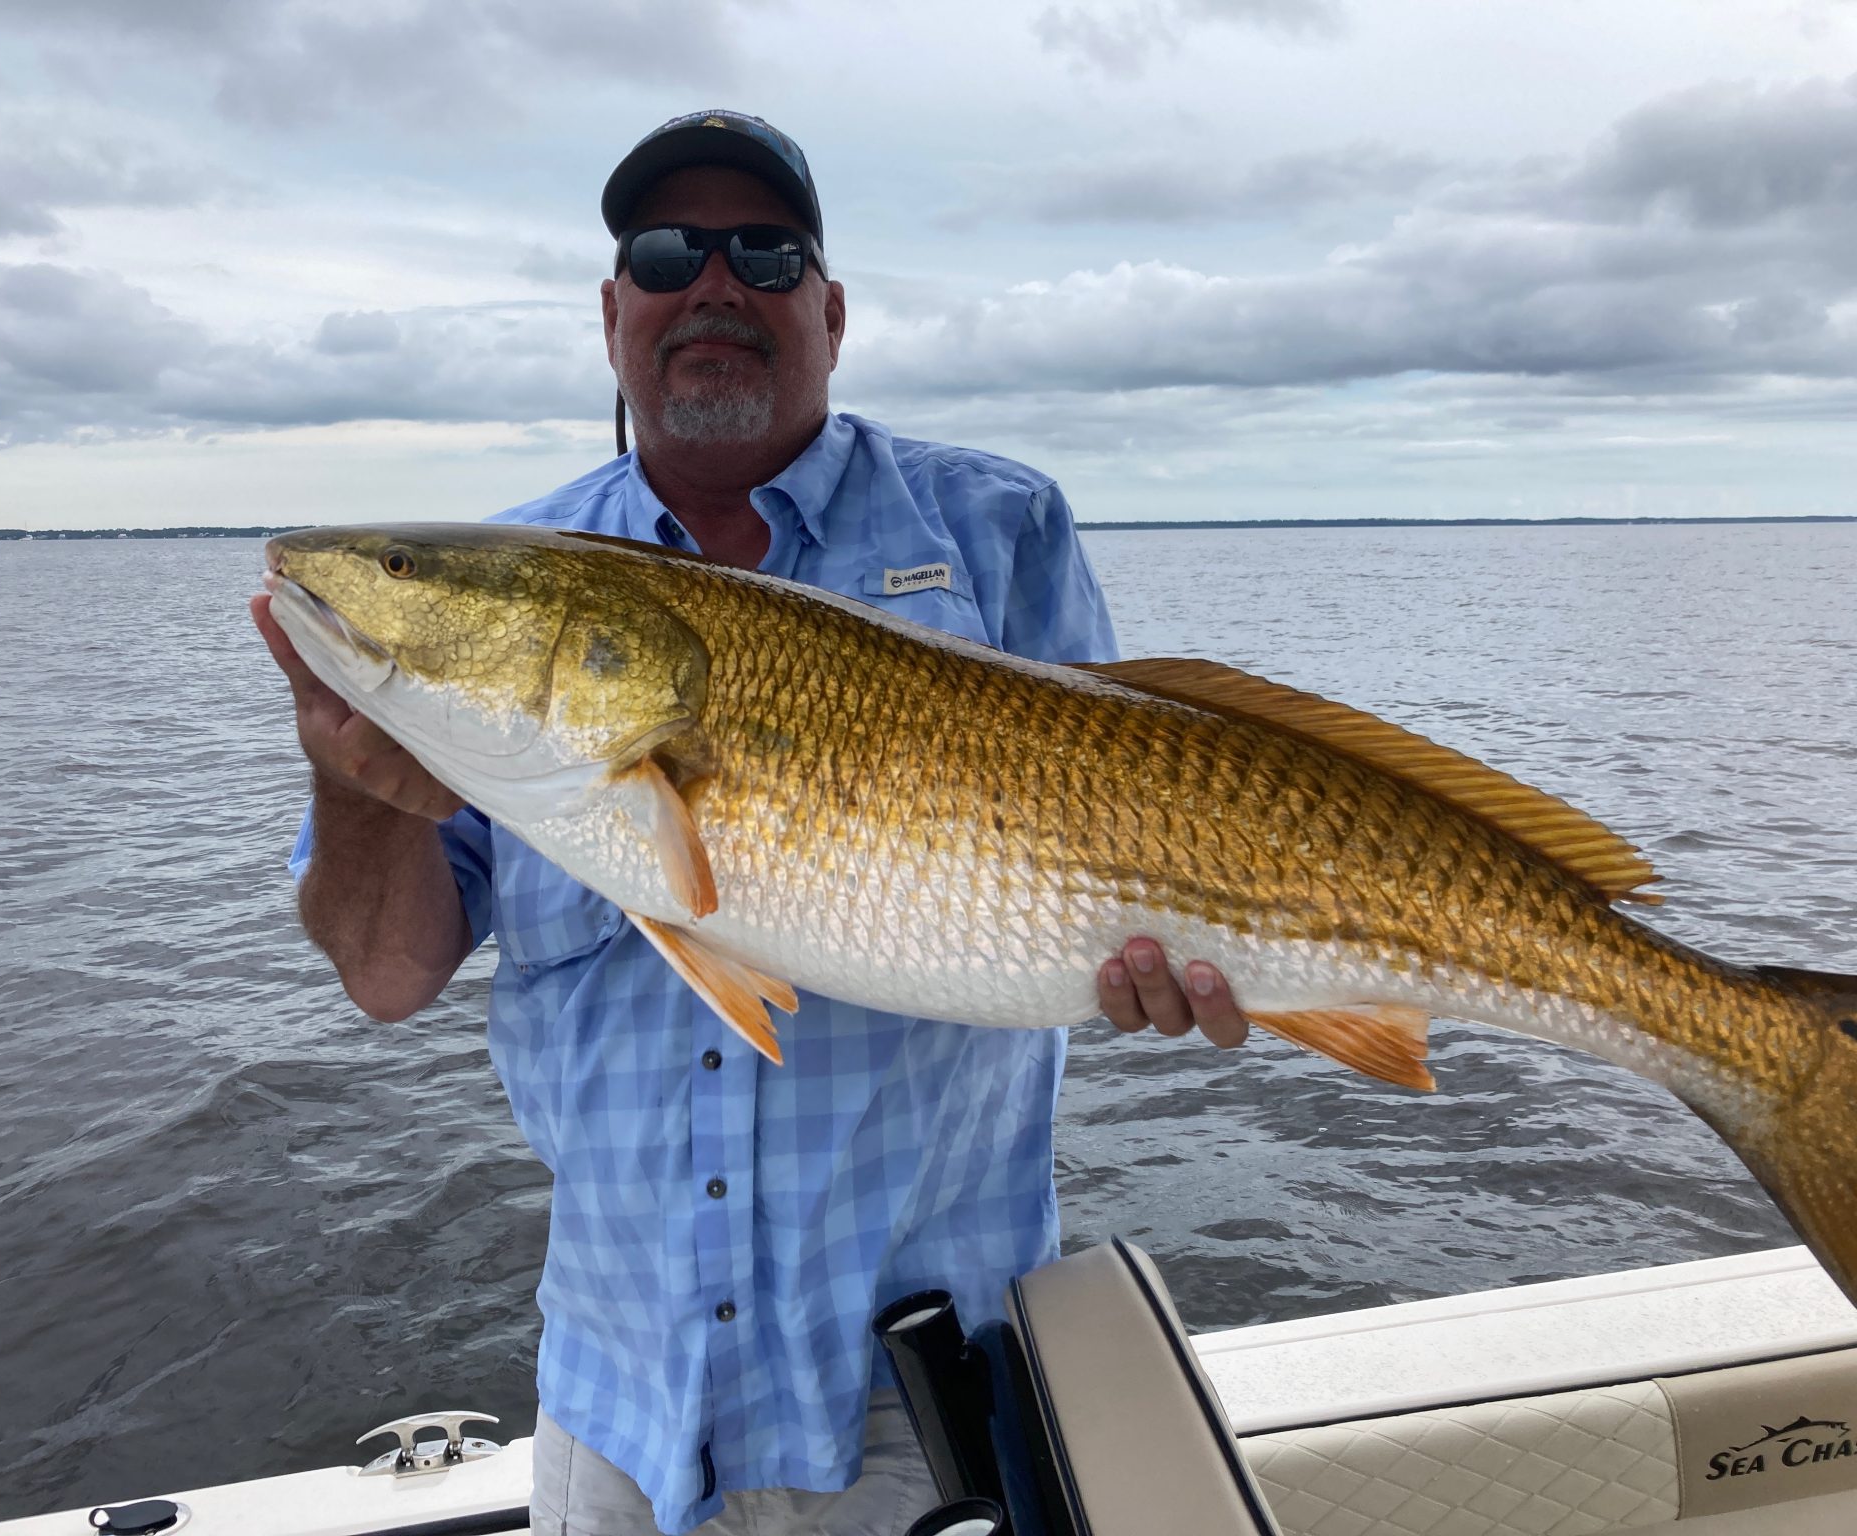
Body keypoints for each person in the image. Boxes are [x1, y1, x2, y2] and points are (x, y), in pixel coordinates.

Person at [251, 110, 1250, 1536]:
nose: (715, 284)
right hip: (619, 1410)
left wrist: (1157, 964)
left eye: (766, 253)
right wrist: (354, 791)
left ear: (831, 314)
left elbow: (1139, 818)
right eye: (668, 253)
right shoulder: (519, 590)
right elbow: (385, 972)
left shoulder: (1000, 527)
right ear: (612, 317)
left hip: (922, 1405)